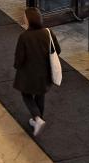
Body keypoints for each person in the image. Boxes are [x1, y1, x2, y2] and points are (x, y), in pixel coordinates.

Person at [13, 8, 60, 137]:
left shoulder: (24, 37)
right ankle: (37, 120)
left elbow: (19, 57)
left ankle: (37, 118)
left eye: (25, 16)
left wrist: (16, 66)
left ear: (29, 20)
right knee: (40, 94)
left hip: (28, 73)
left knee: (26, 94)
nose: (23, 18)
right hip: (44, 72)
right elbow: (58, 50)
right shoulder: (48, 32)